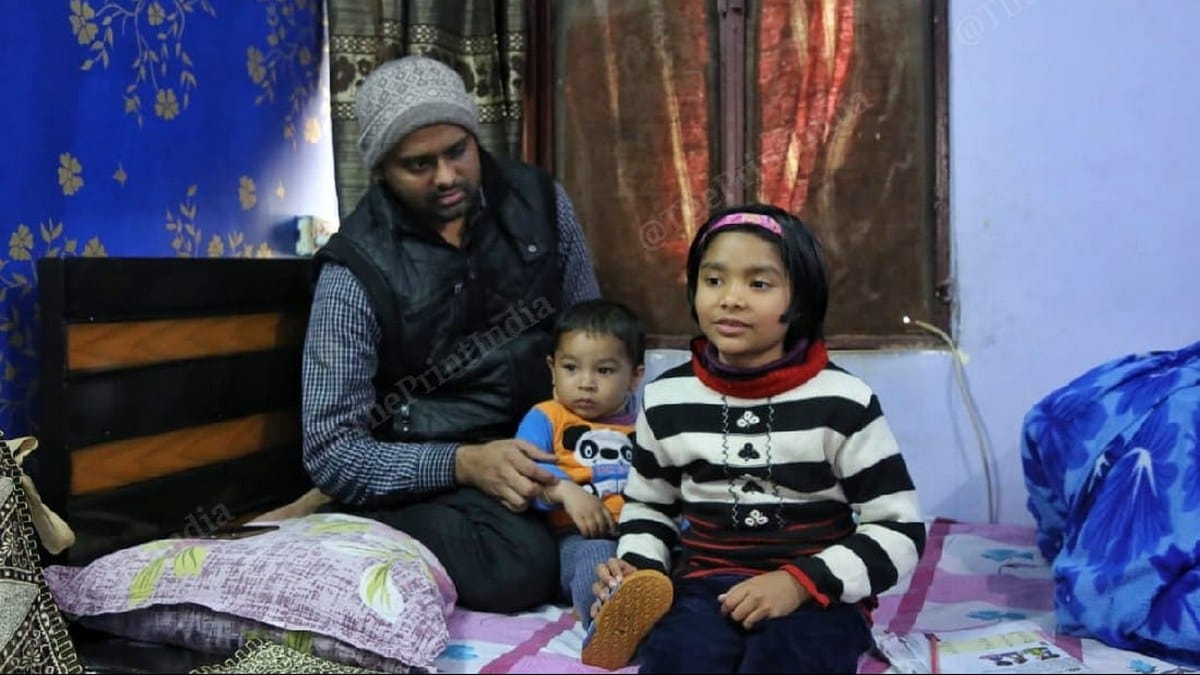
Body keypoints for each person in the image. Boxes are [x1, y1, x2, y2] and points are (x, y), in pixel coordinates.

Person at [300, 54, 602, 613]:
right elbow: (331, 450)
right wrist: (462, 462)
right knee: (516, 568)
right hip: (431, 465)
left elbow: (593, 331)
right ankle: (346, 520)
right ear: (381, 169)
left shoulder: (539, 202)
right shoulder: (355, 269)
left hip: (546, 443)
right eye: (418, 164)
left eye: (456, 152)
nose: (445, 176)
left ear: (472, 136)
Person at [582, 204, 926, 672]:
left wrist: (800, 583)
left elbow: (899, 527)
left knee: (786, 661)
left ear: (799, 301)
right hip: (705, 585)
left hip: (817, 595)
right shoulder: (666, 400)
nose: (731, 299)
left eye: (758, 284)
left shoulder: (844, 402)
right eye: (714, 280)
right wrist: (641, 570)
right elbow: (650, 506)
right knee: (675, 660)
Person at [513, 299, 646, 627]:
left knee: (686, 559)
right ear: (552, 368)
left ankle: (666, 616)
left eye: (604, 370)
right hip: (577, 539)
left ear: (635, 377)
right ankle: (608, 626)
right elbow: (525, 464)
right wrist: (565, 490)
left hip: (641, 536)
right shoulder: (547, 416)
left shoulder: (647, 425)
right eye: (571, 368)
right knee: (598, 562)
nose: (586, 382)